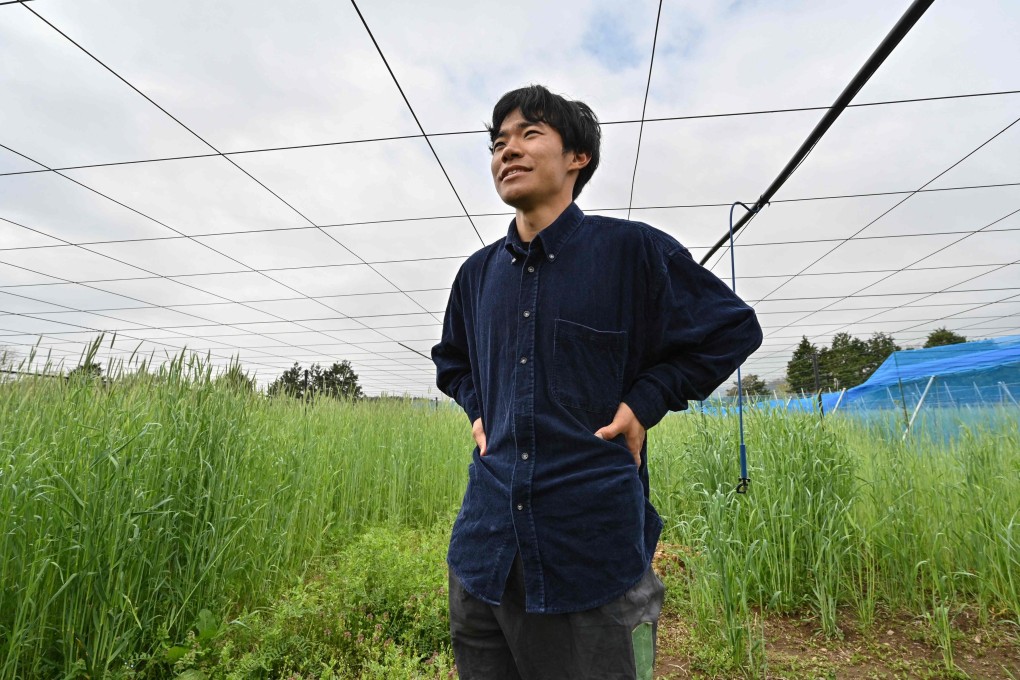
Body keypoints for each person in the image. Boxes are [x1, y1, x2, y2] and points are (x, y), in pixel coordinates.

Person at [431, 84, 763, 680]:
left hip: (590, 557)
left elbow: (732, 329)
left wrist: (646, 400)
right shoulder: (477, 276)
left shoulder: (631, 252)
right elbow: (451, 360)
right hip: (485, 556)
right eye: (498, 142)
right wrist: (478, 408)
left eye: (530, 134)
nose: (508, 150)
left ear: (577, 157)